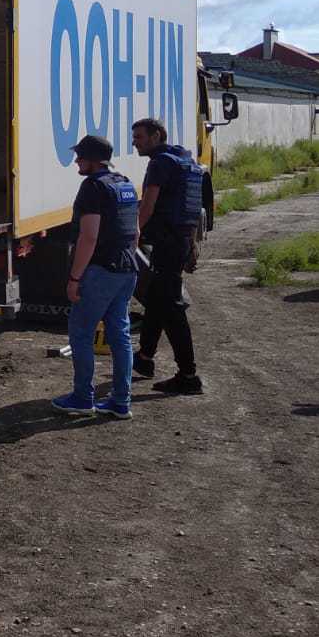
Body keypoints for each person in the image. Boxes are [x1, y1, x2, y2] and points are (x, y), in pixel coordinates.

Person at [52, 134, 140, 419]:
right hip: (127, 270)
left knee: (81, 333)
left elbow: (88, 237)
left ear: (92, 160)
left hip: (100, 271)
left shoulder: (92, 187)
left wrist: (75, 278)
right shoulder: (124, 183)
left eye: (80, 157)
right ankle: (120, 401)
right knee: (120, 335)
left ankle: (82, 398)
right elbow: (135, 233)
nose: (76, 160)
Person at [131, 117, 204, 395]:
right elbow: (192, 208)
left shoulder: (159, 163)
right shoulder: (186, 162)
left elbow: (148, 206)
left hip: (167, 243)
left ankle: (188, 376)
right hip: (180, 241)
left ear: (156, 135)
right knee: (158, 300)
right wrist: (192, 243)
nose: (134, 142)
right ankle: (145, 359)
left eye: (139, 137)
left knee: (171, 307)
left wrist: (132, 236)